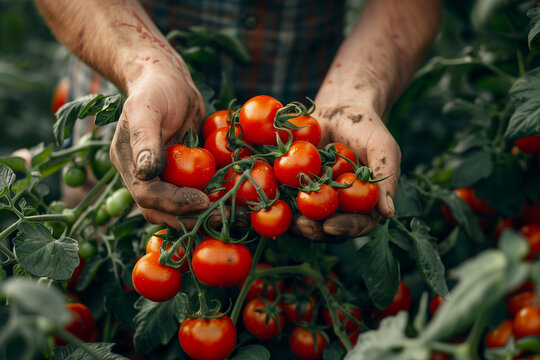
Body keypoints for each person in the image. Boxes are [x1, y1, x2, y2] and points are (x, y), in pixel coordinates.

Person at [34, 0, 442, 240]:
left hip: (313, 135)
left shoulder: (299, 153)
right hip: (123, 135)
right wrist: (143, 65)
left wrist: (356, 90)